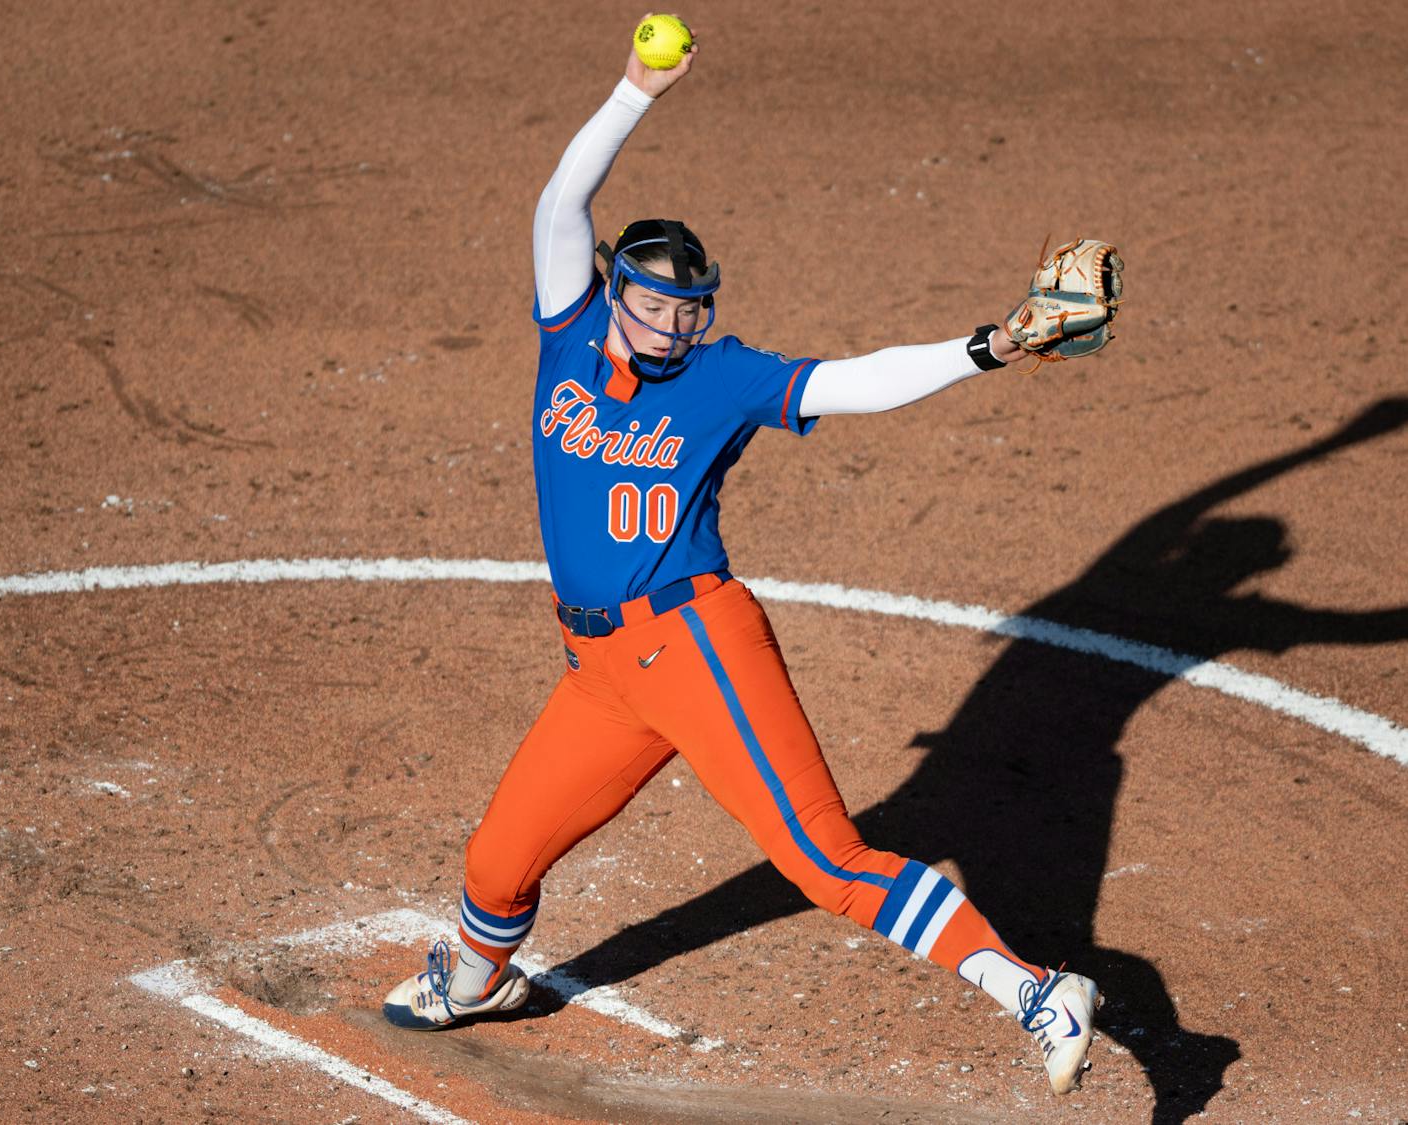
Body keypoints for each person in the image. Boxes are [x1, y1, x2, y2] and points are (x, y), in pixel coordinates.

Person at [384, 31, 1104, 1096]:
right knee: (496, 862)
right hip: (600, 676)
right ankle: (481, 976)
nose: (672, 324)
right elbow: (558, 203)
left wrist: (987, 345)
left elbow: (857, 384)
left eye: (689, 309)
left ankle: (1037, 991)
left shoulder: (721, 381)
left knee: (824, 862)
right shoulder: (568, 332)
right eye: (653, 303)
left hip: (696, 644)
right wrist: (635, 90)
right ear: (612, 289)